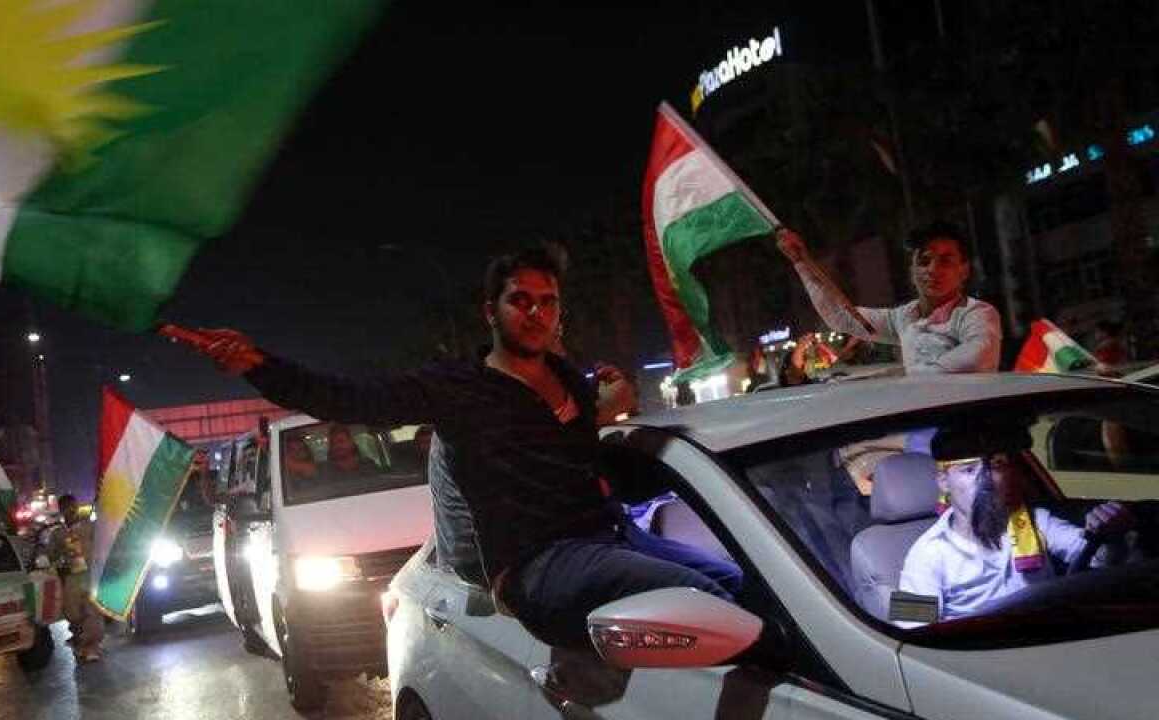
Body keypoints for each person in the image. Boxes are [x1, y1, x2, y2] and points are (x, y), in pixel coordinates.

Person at [184, 244, 743, 648]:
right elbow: (348, 399)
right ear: (491, 311)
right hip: (537, 566)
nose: (535, 313)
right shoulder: (457, 388)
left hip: (610, 538)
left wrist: (614, 407)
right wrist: (258, 365)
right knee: (700, 596)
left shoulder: (567, 378)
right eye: (520, 300)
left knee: (737, 581)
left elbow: (579, 446)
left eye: (547, 302)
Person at [899, 453, 1133, 622]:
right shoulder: (925, 553)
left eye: (996, 465)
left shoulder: (1036, 521)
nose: (985, 481)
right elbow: (908, 631)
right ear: (943, 482)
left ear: (1012, 474)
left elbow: (1099, 561)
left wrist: (1109, 536)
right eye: (968, 470)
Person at [777, 221, 1002, 374]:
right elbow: (839, 317)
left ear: (964, 270)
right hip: (923, 434)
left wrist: (907, 382)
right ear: (912, 271)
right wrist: (800, 262)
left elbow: (976, 357)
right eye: (924, 260)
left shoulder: (977, 313)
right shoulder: (902, 318)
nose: (932, 269)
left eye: (945, 261)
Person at [49, 494, 105, 663]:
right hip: (71, 578)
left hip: (90, 575)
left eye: (73, 506)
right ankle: (80, 641)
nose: (71, 510)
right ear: (61, 510)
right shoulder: (58, 533)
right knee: (73, 613)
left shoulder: (90, 527)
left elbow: (103, 542)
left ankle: (92, 646)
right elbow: (52, 555)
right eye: (66, 507)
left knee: (92, 612)